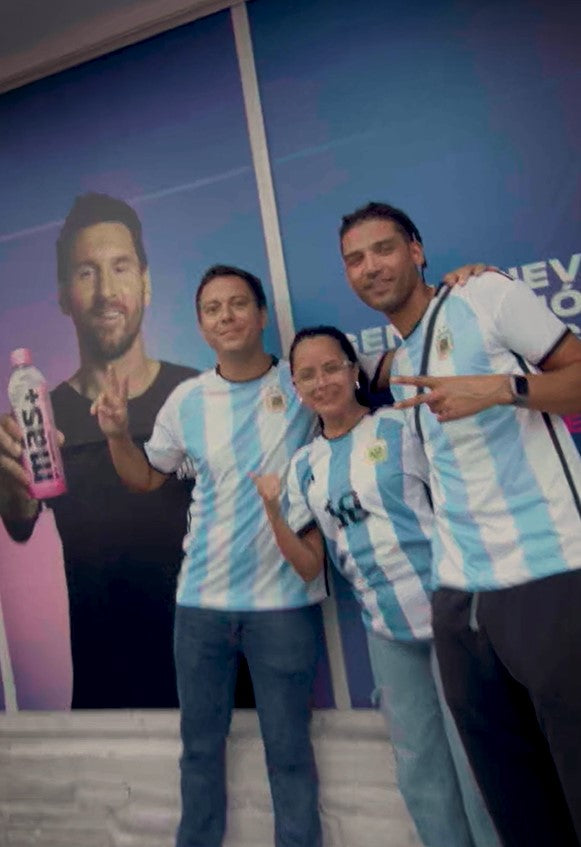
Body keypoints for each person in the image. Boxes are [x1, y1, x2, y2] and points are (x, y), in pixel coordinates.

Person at [340, 201, 581, 847]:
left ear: (417, 251)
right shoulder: (392, 358)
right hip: (462, 602)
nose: (370, 266)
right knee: (517, 809)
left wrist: (502, 387)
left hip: (551, 574)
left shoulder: (486, 295)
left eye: (383, 248)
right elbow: (321, 378)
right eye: (355, 259)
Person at [90, 265, 328, 847]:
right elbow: (147, 480)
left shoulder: (304, 386)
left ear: (263, 315)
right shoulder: (187, 400)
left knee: (290, 755)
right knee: (198, 751)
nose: (227, 316)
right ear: (200, 325)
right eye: (213, 308)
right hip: (200, 608)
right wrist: (118, 434)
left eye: (239, 304)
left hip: (284, 604)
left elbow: (371, 378)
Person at [250, 324, 499, 847]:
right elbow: (308, 566)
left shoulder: (403, 427)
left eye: (332, 367)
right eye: (307, 374)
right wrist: (273, 512)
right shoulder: (303, 469)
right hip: (386, 631)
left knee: (478, 756)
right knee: (419, 766)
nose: (322, 382)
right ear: (295, 387)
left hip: (452, 614)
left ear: (353, 370)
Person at [0, 192, 205, 708]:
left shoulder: (197, 395)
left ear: (146, 282)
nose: (107, 291)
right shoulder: (41, 416)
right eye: (87, 273)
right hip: (105, 688)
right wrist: (6, 476)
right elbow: (21, 522)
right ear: (65, 295)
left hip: (215, 671)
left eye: (121, 267)